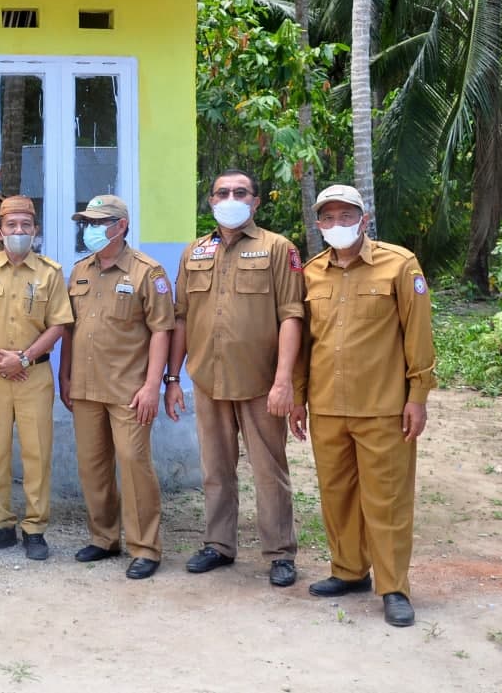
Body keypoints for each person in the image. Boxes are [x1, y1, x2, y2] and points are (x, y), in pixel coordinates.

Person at [294, 184, 435, 627]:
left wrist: (418, 397)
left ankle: (393, 587)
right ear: (318, 224)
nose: (337, 225)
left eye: (345, 216)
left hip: (383, 407)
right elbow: (302, 344)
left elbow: (418, 336)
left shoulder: (399, 264)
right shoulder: (312, 272)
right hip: (327, 407)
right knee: (337, 495)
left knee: (387, 499)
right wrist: (297, 396)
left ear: (364, 218)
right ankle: (349, 570)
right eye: (328, 218)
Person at [164, 169, 303, 587]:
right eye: (222, 192)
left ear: (256, 202)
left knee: (269, 469)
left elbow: (292, 316)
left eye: (240, 192)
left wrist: (284, 382)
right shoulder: (195, 252)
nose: (230, 198)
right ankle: (219, 544)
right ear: (210, 201)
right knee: (215, 468)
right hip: (208, 378)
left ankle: (280, 552)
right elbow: (182, 317)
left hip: (260, 382)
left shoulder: (278, 249)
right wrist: (173, 378)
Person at [59, 195, 174, 579]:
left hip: (129, 388)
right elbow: (70, 329)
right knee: (93, 467)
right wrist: (65, 375)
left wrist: (153, 385)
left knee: (134, 463)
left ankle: (145, 547)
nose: (90, 229)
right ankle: (104, 537)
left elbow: (162, 330)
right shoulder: (79, 271)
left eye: (98, 222)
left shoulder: (147, 272)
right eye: (86, 223)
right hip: (86, 387)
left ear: (120, 226)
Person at [0, 196, 73, 560]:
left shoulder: (50, 272)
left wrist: (24, 357)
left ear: (35, 230)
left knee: (36, 453)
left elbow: (59, 323)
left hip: (34, 374)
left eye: (26, 225)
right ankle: (0, 524)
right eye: (11, 225)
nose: (19, 231)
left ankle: (34, 528)